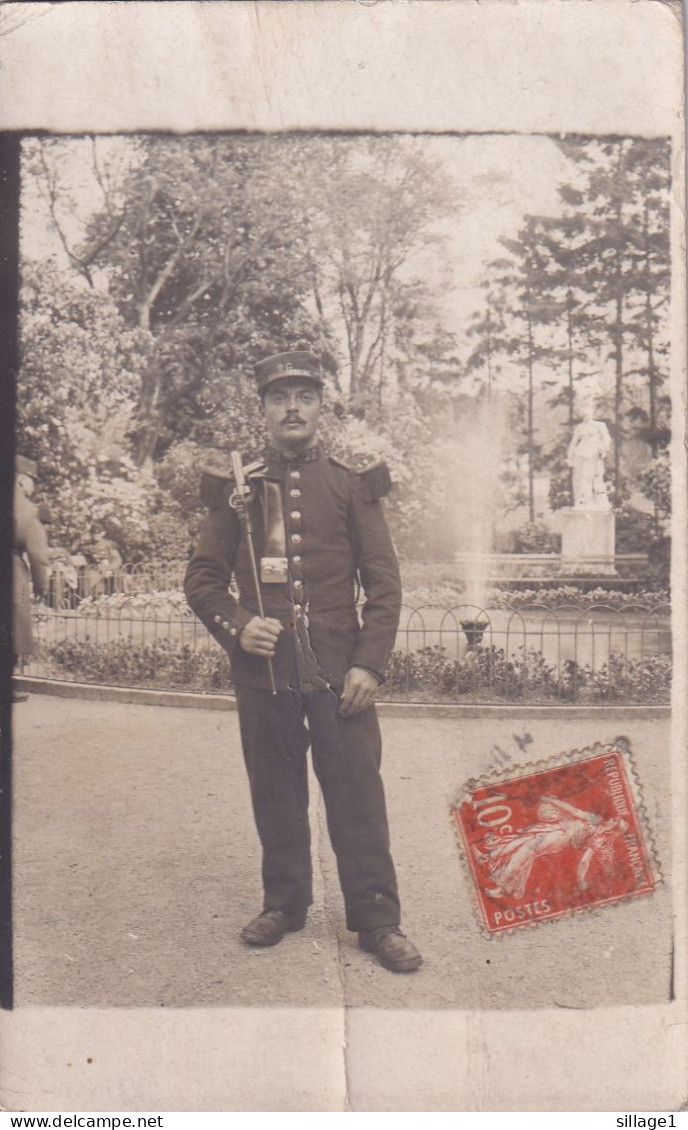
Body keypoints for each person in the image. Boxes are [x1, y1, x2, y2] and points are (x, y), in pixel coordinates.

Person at [185, 350, 422, 973]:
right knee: (275, 790)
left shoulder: (350, 482)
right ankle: (285, 904)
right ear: (263, 409)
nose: (293, 408)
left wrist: (369, 665)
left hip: (340, 676)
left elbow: (384, 585)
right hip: (264, 677)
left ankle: (378, 919)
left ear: (322, 407)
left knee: (357, 795)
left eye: (305, 397)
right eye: (279, 397)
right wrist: (238, 628)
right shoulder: (238, 487)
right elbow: (203, 579)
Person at [13, 455, 50, 701]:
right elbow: (38, 557)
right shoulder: (27, 511)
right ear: (23, 480)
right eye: (33, 482)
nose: (34, 488)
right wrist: (41, 587)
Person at [566, 397, 612, 511]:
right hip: (581, 455)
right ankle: (583, 501)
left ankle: (600, 501)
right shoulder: (580, 427)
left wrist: (603, 449)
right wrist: (569, 458)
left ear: (592, 412)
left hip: (595, 454)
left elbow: (607, 439)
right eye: (584, 413)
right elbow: (573, 444)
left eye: (588, 412)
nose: (586, 415)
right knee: (582, 479)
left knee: (597, 478)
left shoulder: (600, 425)